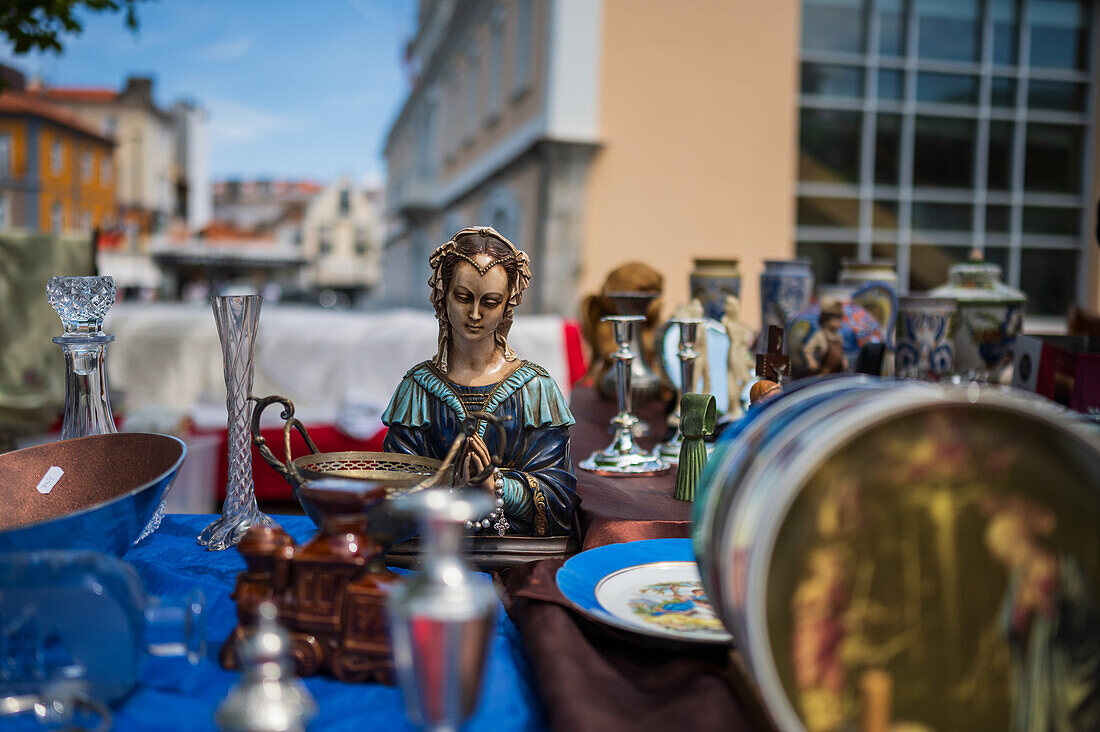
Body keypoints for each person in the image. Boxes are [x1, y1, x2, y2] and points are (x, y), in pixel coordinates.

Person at [381, 227, 578, 537]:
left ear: (506, 307)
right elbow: (392, 489)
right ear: (442, 296)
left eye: (489, 302)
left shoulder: (536, 389)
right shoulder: (417, 390)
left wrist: (496, 486)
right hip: (428, 552)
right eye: (463, 298)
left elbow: (560, 501)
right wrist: (449, 485)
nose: (474, 314)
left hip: (516, 560)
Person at [983, 497, 1100, 731]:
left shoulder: (1066, 568)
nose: (1011, 561)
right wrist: (1022, 609)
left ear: (1024, 541)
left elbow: (1086, 618)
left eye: (1011, 552)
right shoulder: (1019, 578)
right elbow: (1007, 626)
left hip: (1061, 670)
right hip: (1036, 672)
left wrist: (1050, 602)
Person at [803, 300, 848, 375]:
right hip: (824, 373)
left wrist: (843, 361)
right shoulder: (819, 335)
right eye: (836, 320)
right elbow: (807, 350)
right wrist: (811, 361)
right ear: (827, 320)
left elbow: (840, 353)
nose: (840, 323)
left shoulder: (838, 337)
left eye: (840, 320)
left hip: (837, 373)